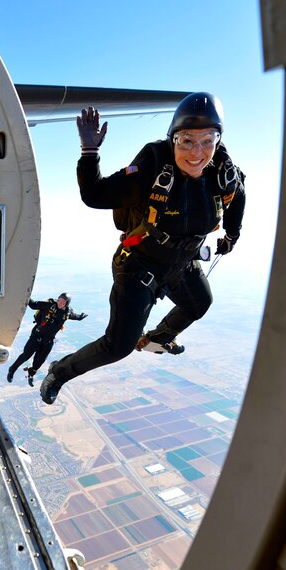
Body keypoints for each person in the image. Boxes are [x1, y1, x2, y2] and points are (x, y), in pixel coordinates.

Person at [40, 92, 246, 405]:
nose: (197, 152)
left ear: (218, 139)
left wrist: (232, 235)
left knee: (199, 303)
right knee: (117, 346)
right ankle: (60, 372)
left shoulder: (222, 171)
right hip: (139, 267)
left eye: (208, 139)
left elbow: (238, 197)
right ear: (172, 138)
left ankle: (156, 341)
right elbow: (95, 195)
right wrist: (90, 150)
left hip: (182, 263)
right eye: (186, 140)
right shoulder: (153, 166)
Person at [6, 293, 88, 386]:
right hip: (36, 336)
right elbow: (33, 305)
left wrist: (80, 317)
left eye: (63, 301)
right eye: (59, 299)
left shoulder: (67, 313)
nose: (60, 302)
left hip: (48, 341)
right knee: (26, 355)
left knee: (39, 361)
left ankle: (31, 374)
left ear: (67, 304)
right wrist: (25, 294)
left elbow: (74, 316)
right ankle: (12, 370)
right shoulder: (48, 305)